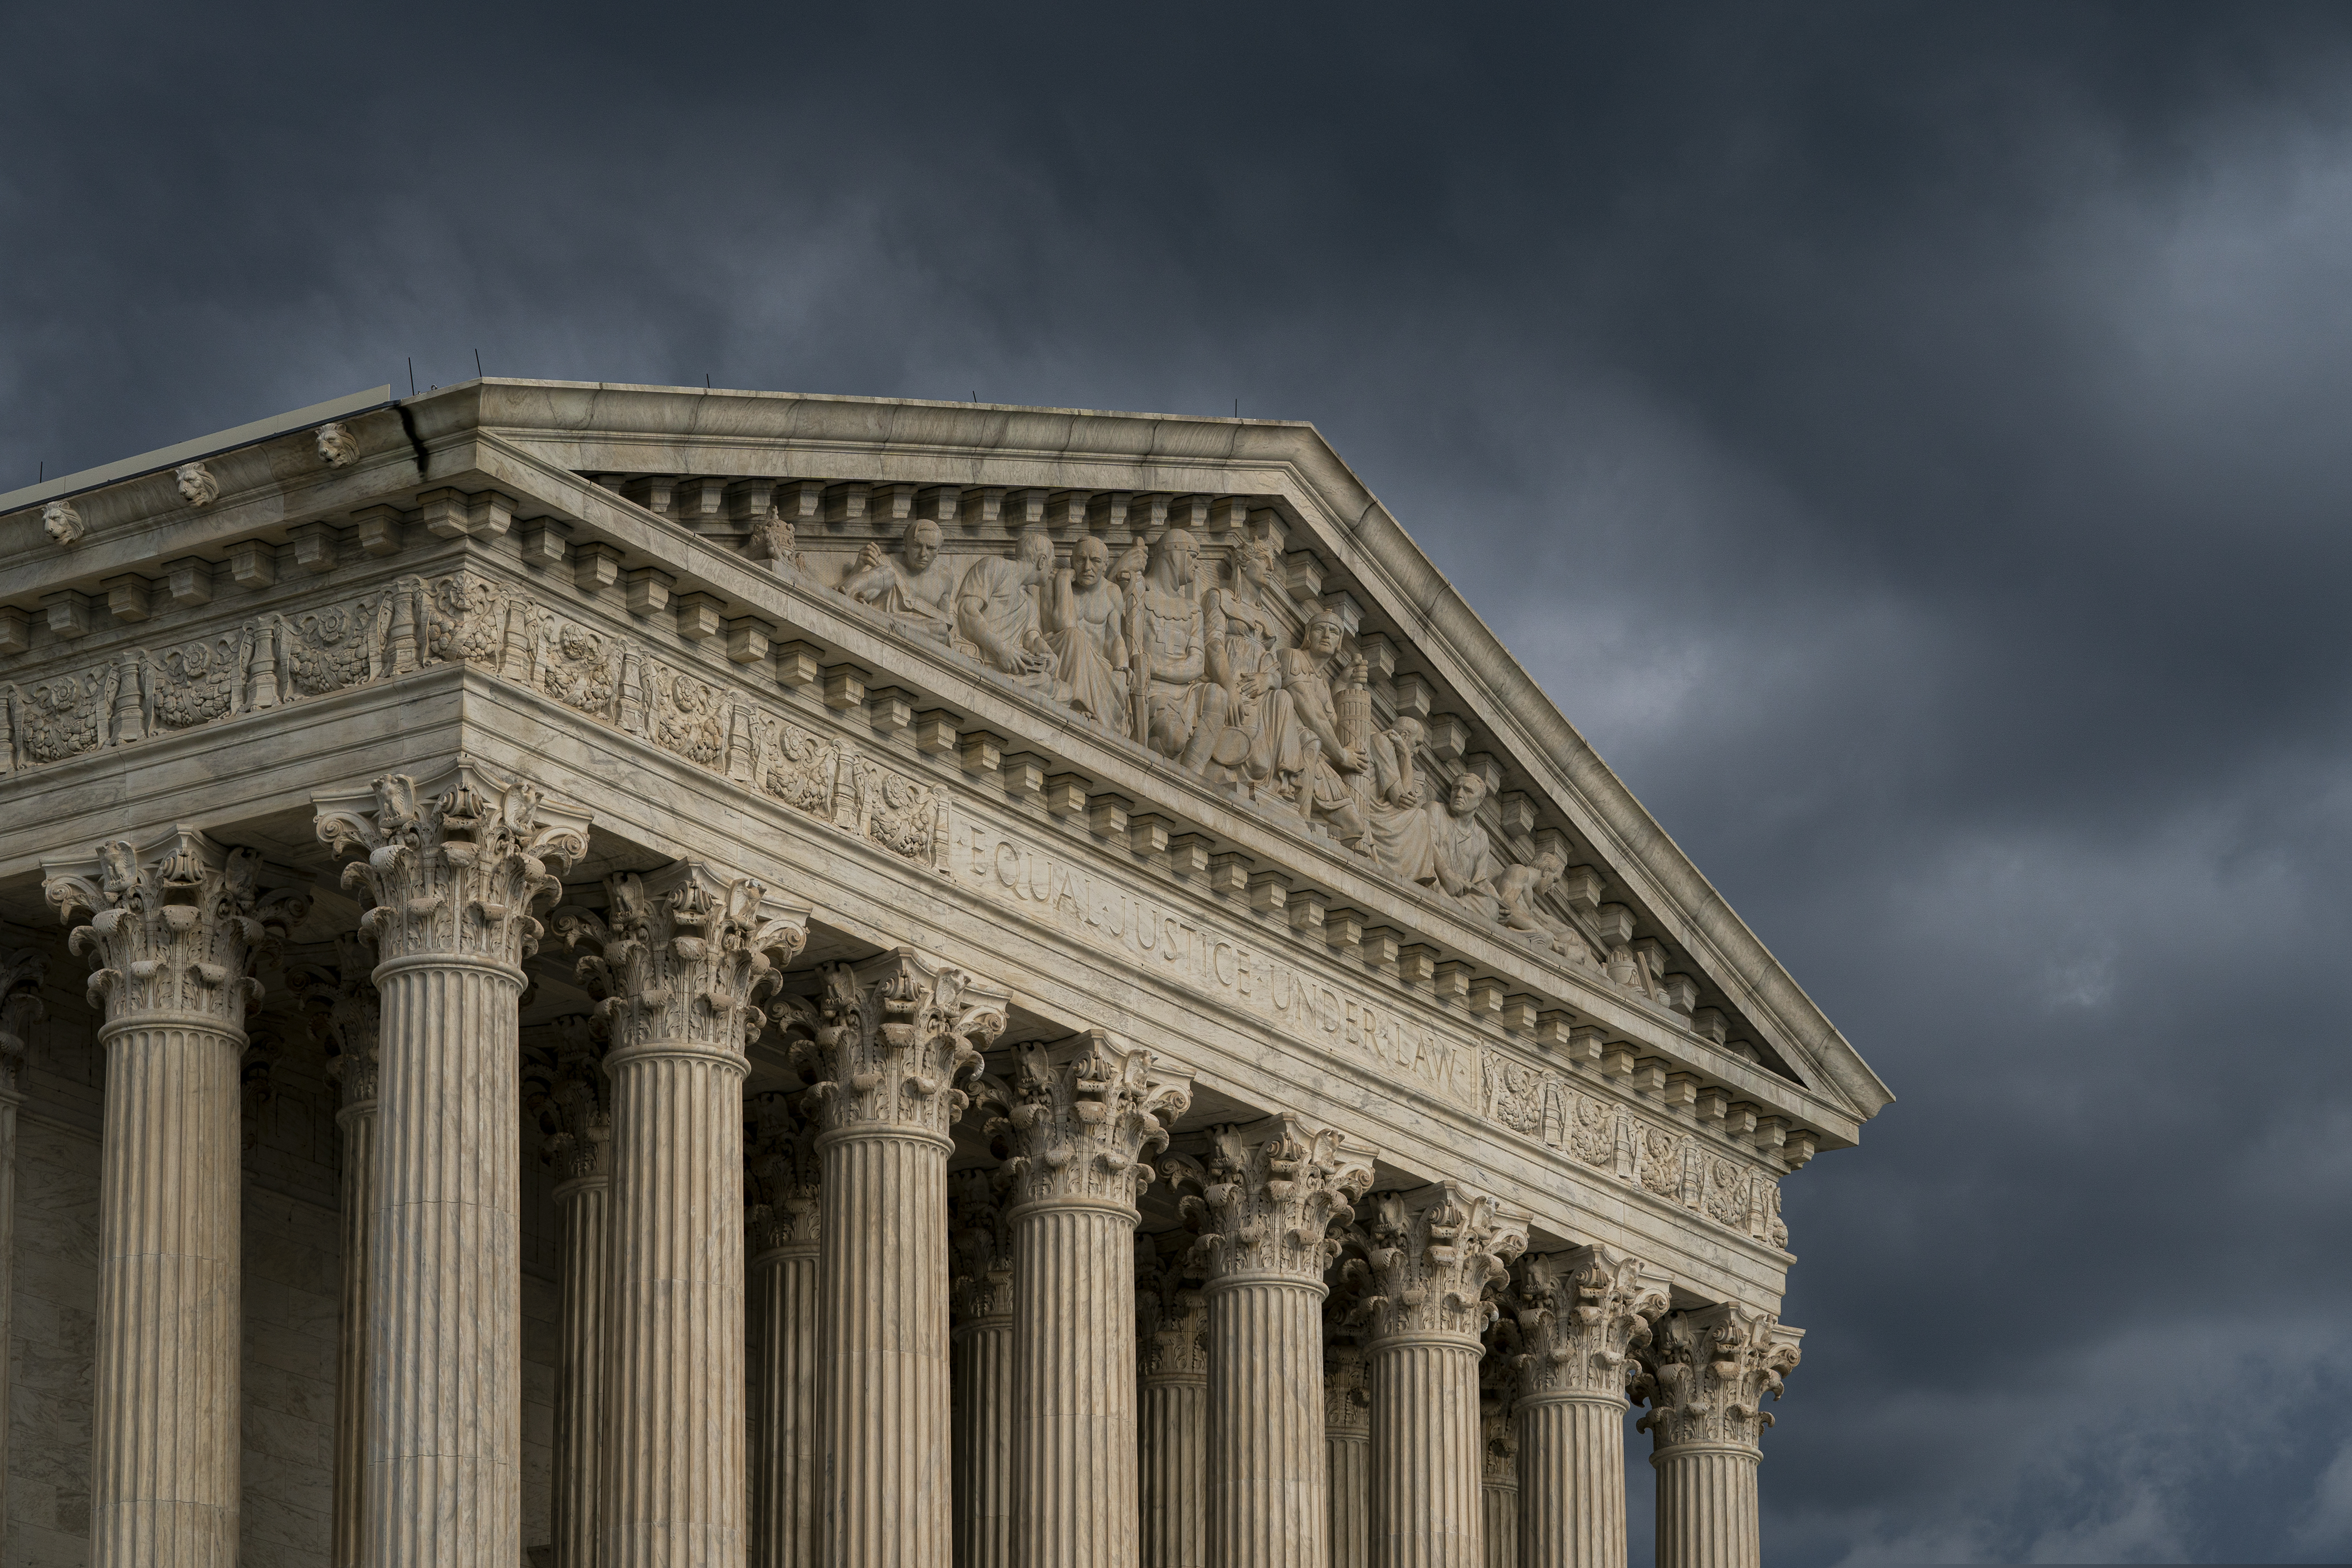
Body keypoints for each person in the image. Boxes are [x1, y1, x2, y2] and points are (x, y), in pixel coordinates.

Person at [1133, 529, 1232, 769]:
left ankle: (1194, 776)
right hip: (1153, 689)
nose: (1196, 565)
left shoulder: (1193, 609)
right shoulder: (1138, 593)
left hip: (1184, 690)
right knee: (1173, 740)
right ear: (1173, 554)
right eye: (1192, 557)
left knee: (1217, 695)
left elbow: (1197, 664)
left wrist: (1154, 666)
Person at [1046, 534, 1131, 735]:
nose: (1087, 567)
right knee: (1076, 636)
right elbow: (1062, 625)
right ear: (1071, 561)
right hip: (1062, 655)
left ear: (1105, 565)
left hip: (1098, 666)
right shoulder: (1054, 583)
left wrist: (1122, 666)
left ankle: (1093, 713)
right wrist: (1064, 580)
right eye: (1080, 559)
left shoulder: (1112, 592)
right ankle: (1077, 704)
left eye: (1095, 561)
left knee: (1118, 678)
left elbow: (1114, 637)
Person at [952, 530, 1057, 690]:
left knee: (1057, 688)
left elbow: (1031, 639)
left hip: (1011, 664)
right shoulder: (995, 566)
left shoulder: (1030, 602)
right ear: (1042, 561)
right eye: (1052, 563)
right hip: (982, 655)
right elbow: (967, 611)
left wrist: (1049, 654)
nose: (1052, 570)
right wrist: (1001, 649)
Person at [838, 519, 958, 643]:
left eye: (931, 548)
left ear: (938, 551)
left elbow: (946, 620)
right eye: (917, 546)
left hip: (908, 624)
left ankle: (880, 618)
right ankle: (846, 595)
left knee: (941, 630)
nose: (923, 554)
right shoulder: (887, 562)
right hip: (880, 603)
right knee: (887, 572)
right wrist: (858, 567)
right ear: (906, 544)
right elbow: (863, 582)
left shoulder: (945, 577)